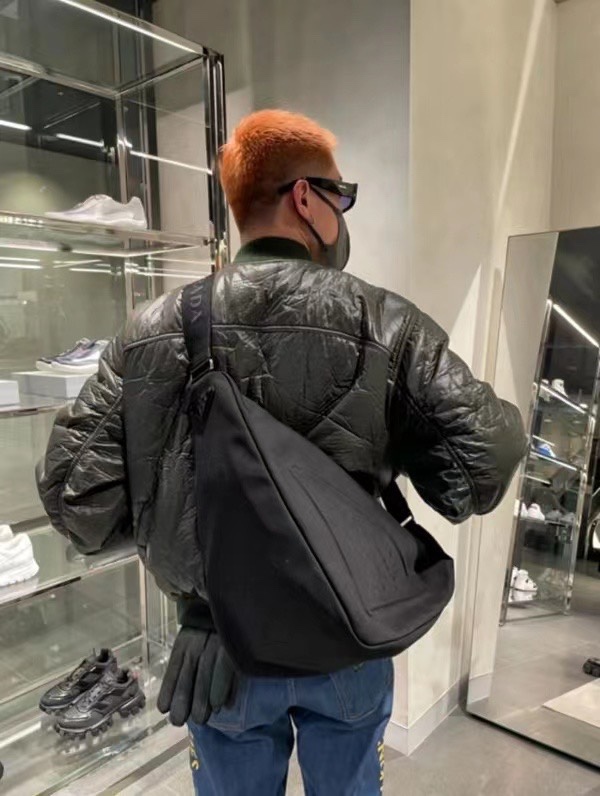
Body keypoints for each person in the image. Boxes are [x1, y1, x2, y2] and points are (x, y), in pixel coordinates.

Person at [38, 109, 526, 795]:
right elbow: (486, 460)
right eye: (342, 197)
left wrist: (178, 536)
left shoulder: (151, 330)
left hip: (219, 650)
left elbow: (75, 500)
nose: (343, 215)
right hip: (348, 638)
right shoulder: (385, 322)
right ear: (305, 198)